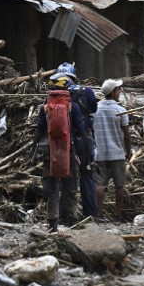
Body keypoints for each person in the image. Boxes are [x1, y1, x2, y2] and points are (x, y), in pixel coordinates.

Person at [34, 73, 88, 231]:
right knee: (70, 186)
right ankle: (70, 219)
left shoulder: (45, 106)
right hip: (68, 150)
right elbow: (80, 130)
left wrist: (33, 148)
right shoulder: (73, 107)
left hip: (49, 152)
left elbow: (39, 130)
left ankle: (53, 222)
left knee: (52, 188)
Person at [56, 62, 99, 219]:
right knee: (87, 175)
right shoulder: (85, 91)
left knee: (64, 178)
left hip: (61, 141)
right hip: (83, 139)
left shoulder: (54, 95)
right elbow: (93, 109)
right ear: (74, 76)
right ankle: (91, 215)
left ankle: (63, 215)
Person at [93, 78, 132, 221]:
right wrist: (129, 151)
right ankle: (117, 215)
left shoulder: (95, 109)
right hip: (117, 153)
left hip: (99, 153)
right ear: (113, 92)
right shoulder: (120, 110)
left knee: (99, 184)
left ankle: (99, 214)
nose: (120, 91)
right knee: (119, 185)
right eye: (118, 89)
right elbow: (126, 135)